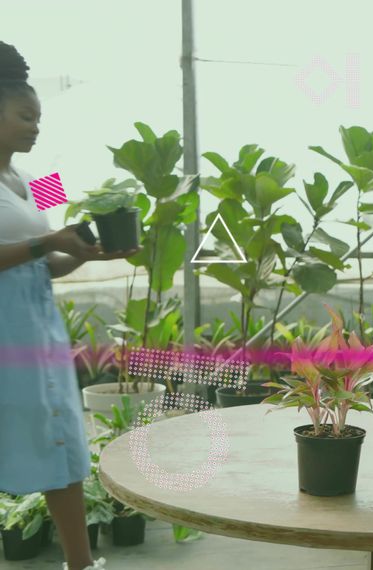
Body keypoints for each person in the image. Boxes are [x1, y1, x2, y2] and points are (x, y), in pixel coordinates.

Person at [0, 42, 138, 570]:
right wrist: (49, 241)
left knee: (62, 445)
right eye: (25, 116)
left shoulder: (30, 183)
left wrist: (86, 253)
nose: (36, 127)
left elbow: (43, 261)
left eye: (39, 117)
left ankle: (80, 564)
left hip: (38, 333)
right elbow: (37, 247)